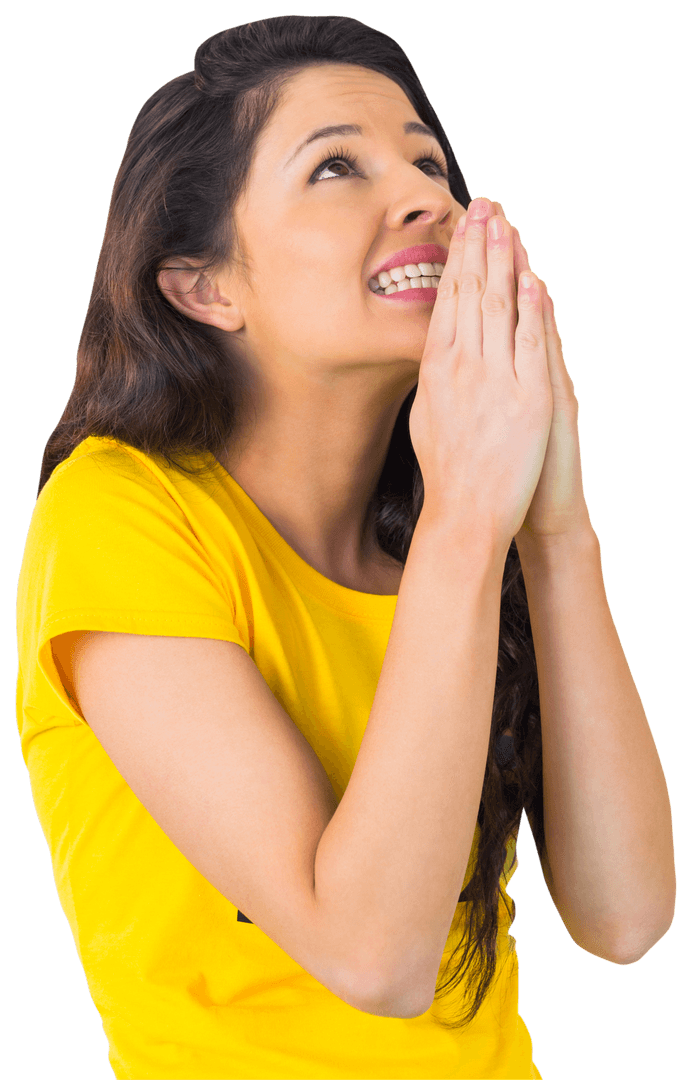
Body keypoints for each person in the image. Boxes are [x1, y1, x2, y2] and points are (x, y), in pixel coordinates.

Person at [15, 14, 675, 1080]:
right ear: (204, 287)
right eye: (335, 167)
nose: (426, 196)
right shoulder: (115, 515)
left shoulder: (451, 531)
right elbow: (373, 956)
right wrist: (470, 516)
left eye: (428, 161)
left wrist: (553, 526)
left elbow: (625, 916)